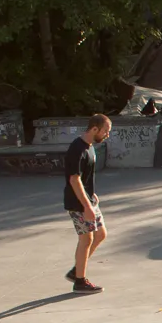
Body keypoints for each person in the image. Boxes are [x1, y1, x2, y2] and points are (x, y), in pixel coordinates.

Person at [63, 115, 111, 294]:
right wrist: (87, 206)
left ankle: (76, 271)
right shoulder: (77, 149)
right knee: (86, 239)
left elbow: (85, 178)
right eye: (105, 131)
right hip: (78, 202)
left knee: (100, 234)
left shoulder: (90, 147)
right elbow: (74, 180)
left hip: (88, 199)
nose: (107, 135)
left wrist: (92, 195)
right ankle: (80, 281)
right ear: (94, 129)